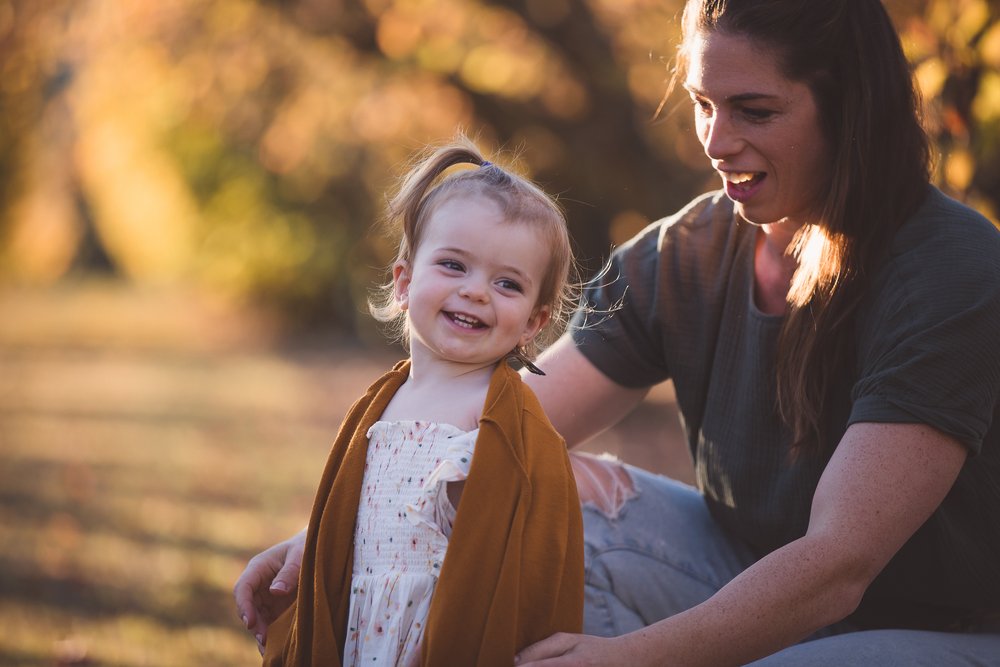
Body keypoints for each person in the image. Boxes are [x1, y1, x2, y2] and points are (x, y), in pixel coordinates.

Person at [236, 0, 1000, 663]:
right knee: (541, 513)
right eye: (704, 103)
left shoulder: (952, 271)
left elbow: (840, 564)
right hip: (744, 570)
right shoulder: (687, 253)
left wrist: (635, 658)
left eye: (754, 110)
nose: (716, 139)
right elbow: (493, 434)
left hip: (941, 628)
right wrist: (329, 539)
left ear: (849, 107)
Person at [250, 136, 584, 667]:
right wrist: (304, 554)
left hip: (439, 641)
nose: (476, 291)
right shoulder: (378, 404)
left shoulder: (504, 425)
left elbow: (520, 561)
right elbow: (348, 524)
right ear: (404, 281)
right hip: (362, 635)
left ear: (533, 322)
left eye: (507, 283)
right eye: (454, 265)